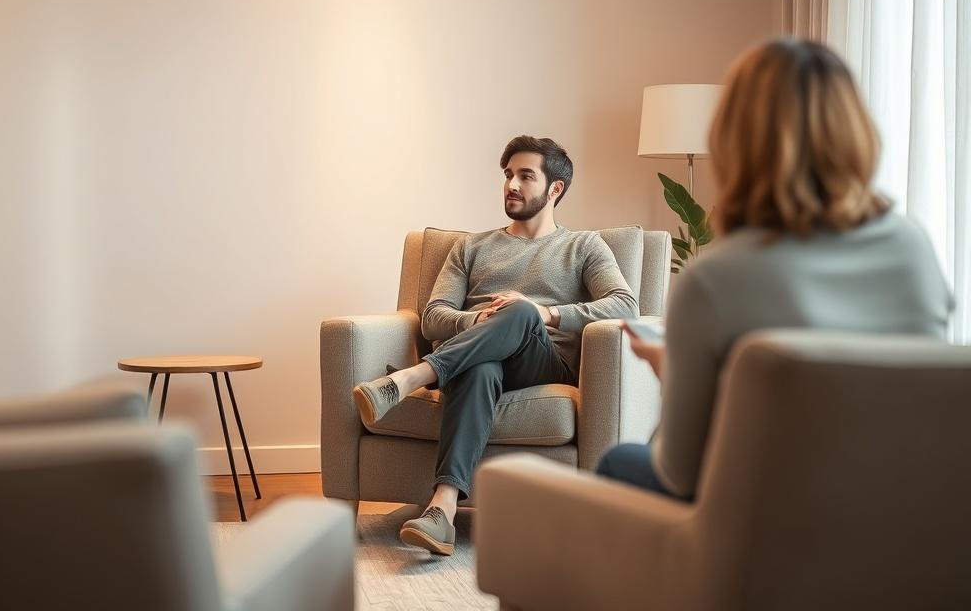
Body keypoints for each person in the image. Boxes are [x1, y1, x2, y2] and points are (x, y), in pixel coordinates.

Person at [596, 38, 955, 501]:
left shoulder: (715, 279)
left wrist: (672, 370)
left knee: (618, 461)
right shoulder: (914, 247)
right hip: (899, 510)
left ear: (733, 138)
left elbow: (681, 473)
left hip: (773, 522)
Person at [353, 135, 638, 555]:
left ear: (554, 188)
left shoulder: (584, 246)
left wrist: (544, 314)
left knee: (521, 311)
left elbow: (626, 305)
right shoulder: (470, 247)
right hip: (474, 361)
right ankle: (442, 510)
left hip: (543, 360)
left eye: (526, 176)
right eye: (508, 175)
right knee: (481, 366)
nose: (512, 185)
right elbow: (434, 316)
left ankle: (414, 376)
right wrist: (480, 320)